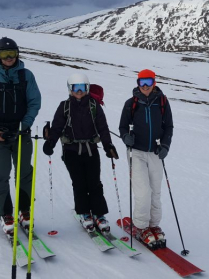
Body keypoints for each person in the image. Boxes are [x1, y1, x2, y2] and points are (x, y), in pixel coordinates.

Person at [0, 37, 41, 234]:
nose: (9, 57)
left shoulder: (26, 75)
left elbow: (34, 102)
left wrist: (25, 124)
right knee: (0, 173)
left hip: (21, 132)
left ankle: (24, 210)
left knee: (24, 173)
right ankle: (4, 212)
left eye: (12, 53)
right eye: (4, 54)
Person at [43, 73, 119, 232]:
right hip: (71, 152)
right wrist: (51, 142)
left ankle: (99, 214)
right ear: (70, 89)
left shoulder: (93, 105)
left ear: (87, 88)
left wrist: (108, 145)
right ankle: (84, 213)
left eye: (82, 88)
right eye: (75, 88)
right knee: (79, 183)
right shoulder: (64, 106)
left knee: (95, 183)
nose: (79, 91)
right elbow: (57, 127)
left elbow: (103, 128)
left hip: (91, 151)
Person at [118, 69, 173, 246]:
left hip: (156, 153)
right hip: (137, 152)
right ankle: (141, 226)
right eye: (142, 82)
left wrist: (165, 146)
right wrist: (126, 137)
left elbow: (169, 127)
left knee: (156, 192)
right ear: (138, 83)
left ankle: (154, 225)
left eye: (149, 82)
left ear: (154, 83)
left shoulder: (162, 102)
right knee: (143, 192)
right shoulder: (131, 103)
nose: (145, 86)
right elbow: (122, 127)